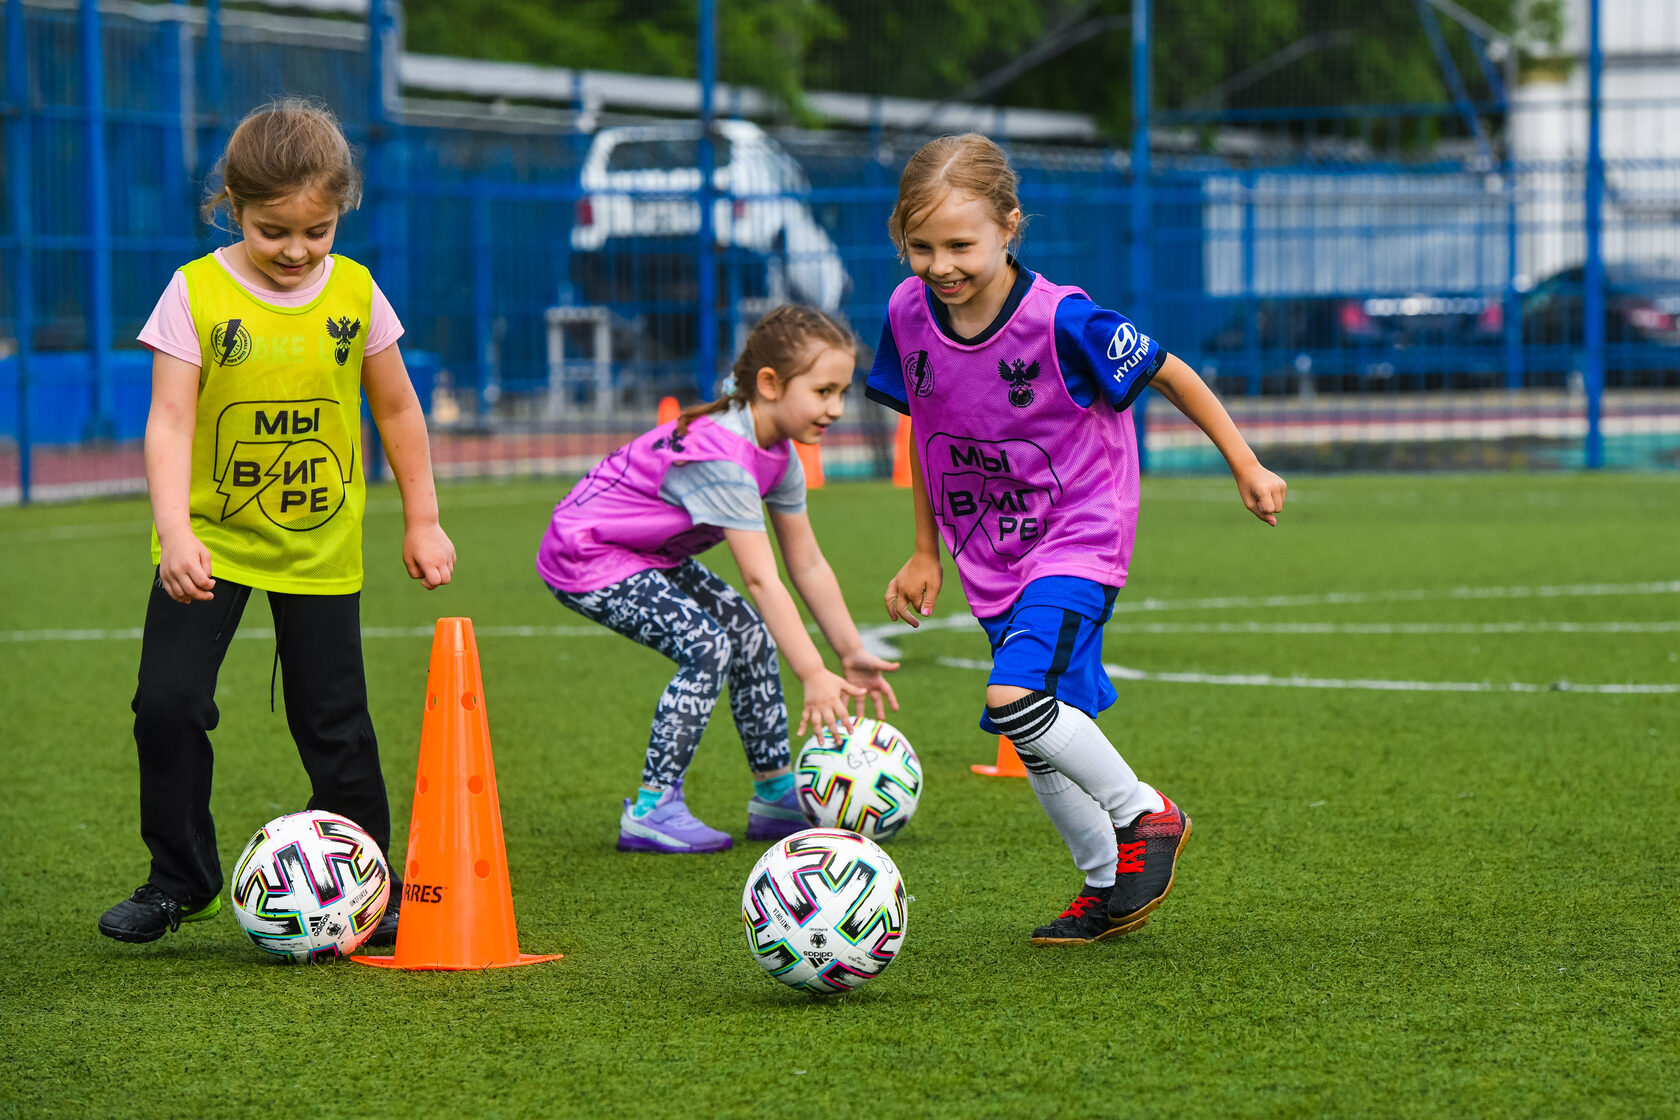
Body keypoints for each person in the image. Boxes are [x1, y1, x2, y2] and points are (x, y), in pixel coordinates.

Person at [869, 134, 1287, 945]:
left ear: (1009, 227)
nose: (940, 265)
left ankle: (1148, 817)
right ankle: (1104, 888)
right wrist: (925, 549)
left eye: (961, 244)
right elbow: (926, 432)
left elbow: (1169, 370)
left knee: (1013, 699)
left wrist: (1245, 463)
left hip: (1079, 537)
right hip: (987, 549)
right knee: (1041, 735)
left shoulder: (1062, 318)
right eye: (920, 247)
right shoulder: (905, 313)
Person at [98, 98, 455, 946]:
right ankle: (178, 880)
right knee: (167, 704)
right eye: (272, 232)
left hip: (320, 545)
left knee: (335, 723)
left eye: (317, 232)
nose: (297, 251)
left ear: (342, 214)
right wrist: (174, 534)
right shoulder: (195, 293)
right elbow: (171, 422)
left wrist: (423, 519)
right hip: (208, 545)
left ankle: (369, 884)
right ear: (232, 207)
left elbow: (399, 410)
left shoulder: (358, 294)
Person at [537, 305, 899, 854]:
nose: (837, 408)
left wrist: (848, 651)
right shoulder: (726, 456)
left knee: (749, 635)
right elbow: (761, 578)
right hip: (587, 554)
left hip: (643, 551)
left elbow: (807, 563)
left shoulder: (778, 452)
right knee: (707, 644)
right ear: (771, 384)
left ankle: (775, 795)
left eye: (842, 392)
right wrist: (811, 671)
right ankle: (652, 809)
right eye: (824, 391)